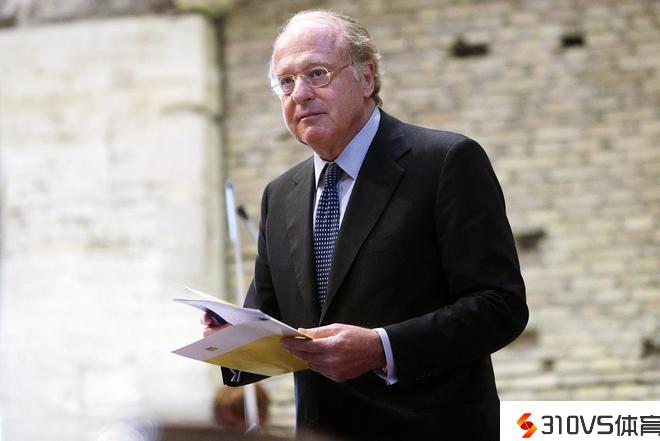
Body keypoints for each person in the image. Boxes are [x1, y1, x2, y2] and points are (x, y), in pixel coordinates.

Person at [203, 9, 528, 441]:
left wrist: (382, 348)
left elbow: (499, 306)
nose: (301, 94)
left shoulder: (445, 162)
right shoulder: (279, 196)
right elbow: (275, 322)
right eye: (286, 82)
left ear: (367, 77)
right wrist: (232, 340)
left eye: (317, 74)